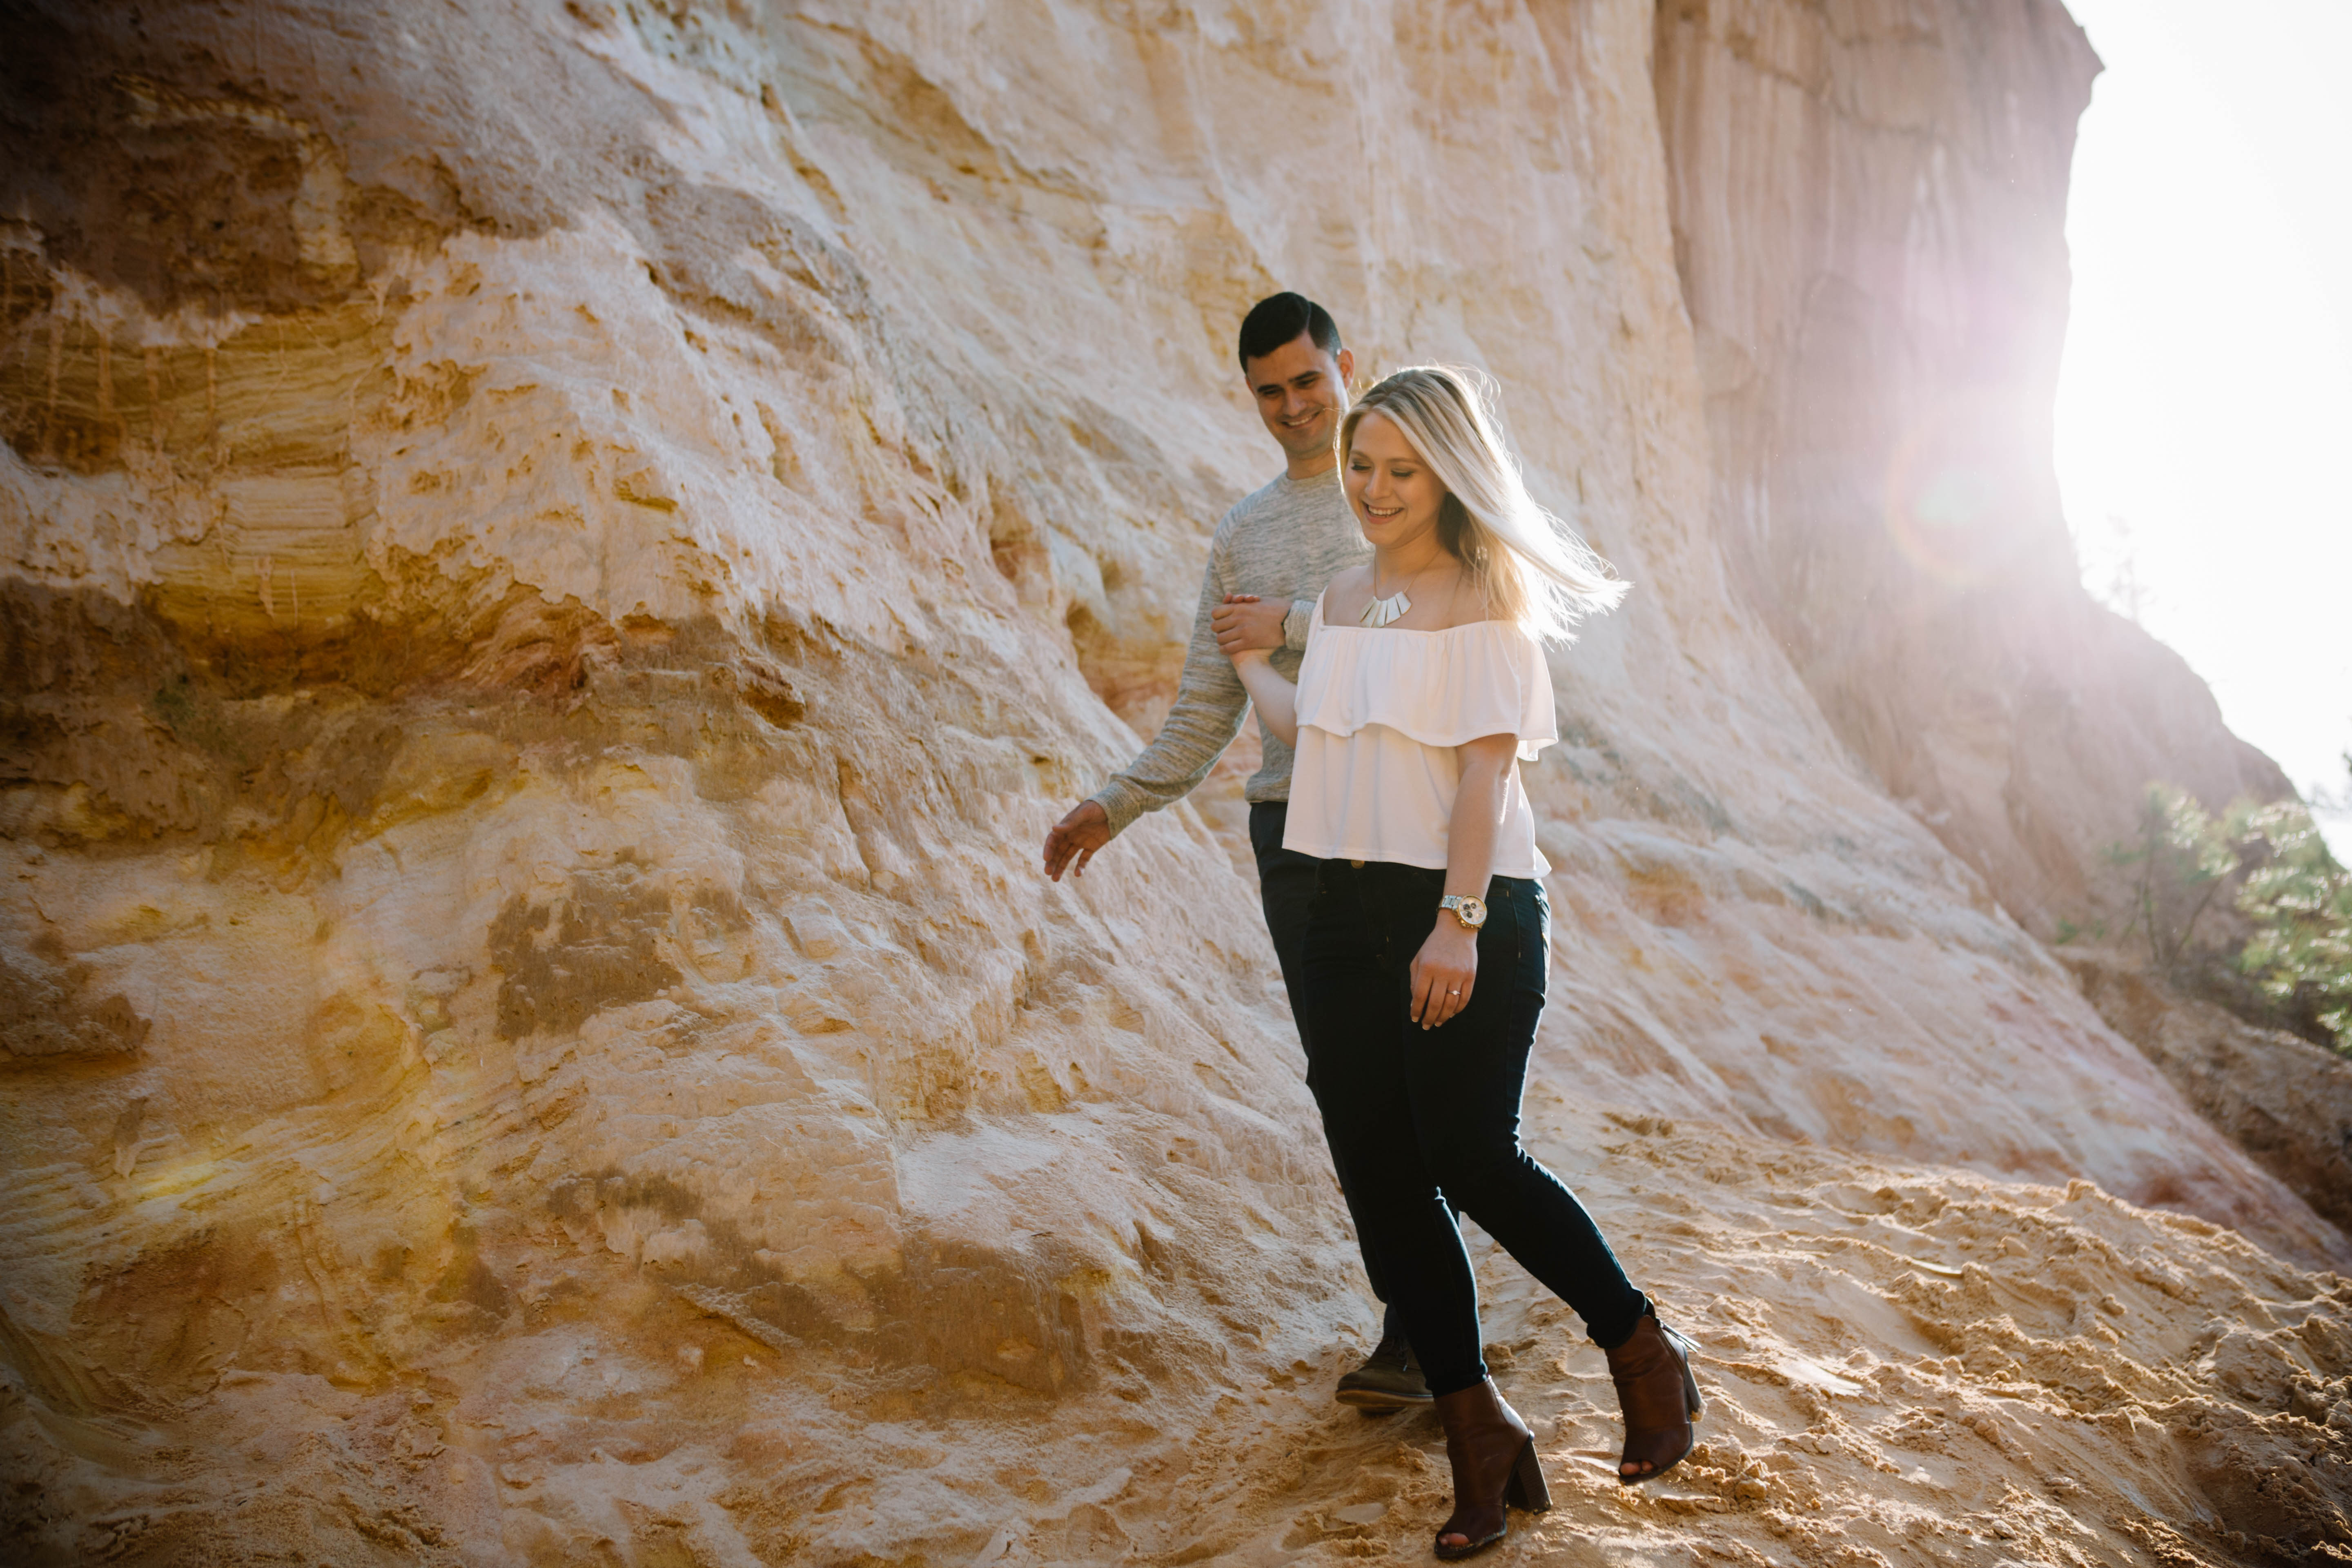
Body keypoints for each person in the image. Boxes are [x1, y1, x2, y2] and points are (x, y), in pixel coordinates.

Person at [1224, 365, 1702, 1558]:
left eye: (1403, 470)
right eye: (1363, 467)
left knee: (1470, 1151)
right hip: (1337, 912)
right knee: (1380, 1168)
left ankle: (1641, 1348)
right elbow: (1316, 734)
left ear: (1449, 475)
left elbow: (1488, 776)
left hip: (1462, 907)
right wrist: (1247, 662)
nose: (1376, 489)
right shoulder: (1337, 599)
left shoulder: (1484, 601)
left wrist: (1461, 921)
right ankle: (1477, 1428)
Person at [1041, 292, 1436, 1411]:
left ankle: (1434, 1322)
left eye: (1309, 382)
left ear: (1346, 367)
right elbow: (1205, 712)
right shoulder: (1241, 531)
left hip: (1400, 815)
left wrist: (1293, 625)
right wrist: (1111, 806)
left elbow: (1443, 624)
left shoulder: (1402, 489)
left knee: (1418, 1082)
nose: (1294, 408)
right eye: (1271, 392)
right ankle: (1409, 1329)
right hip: (1293, 835)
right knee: (1348, 1084)